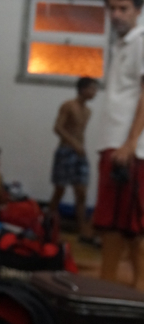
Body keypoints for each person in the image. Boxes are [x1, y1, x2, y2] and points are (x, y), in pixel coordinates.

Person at [93, 0, 144, 288]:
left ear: (137, 10)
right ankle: (113, 287)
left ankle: (115, 290)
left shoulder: (141, 41)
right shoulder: (121, 45)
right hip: (114, 144)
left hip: (129, 149)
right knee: (119, 225)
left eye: (123, 8)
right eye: (111, 8)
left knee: (126, 227)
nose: (116, 15)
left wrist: (130, 142)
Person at [49, 76, 99, 244]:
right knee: (60, 190)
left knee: (81, 192)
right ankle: (47, 226)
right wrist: (74, 144)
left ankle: (82, 230)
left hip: (80, 154)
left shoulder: (88, 111)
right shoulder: (68, 105)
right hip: (65, 151)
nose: (94, 92)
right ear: (82, 89)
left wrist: (79, 147)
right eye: (92, 89)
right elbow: (57, 128)